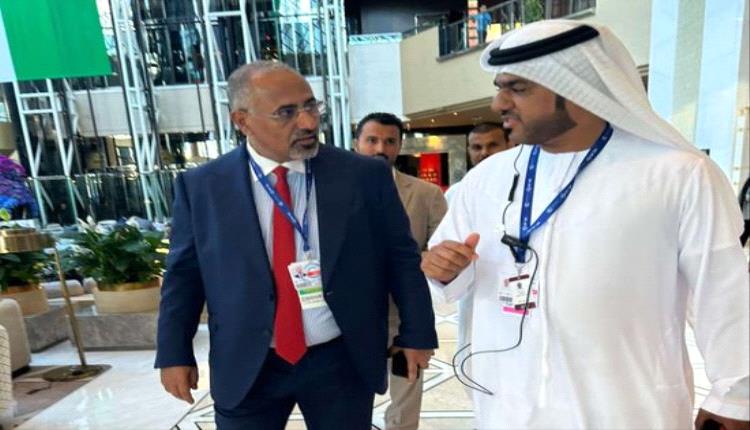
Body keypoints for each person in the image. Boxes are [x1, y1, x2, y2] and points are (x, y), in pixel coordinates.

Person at [421, 20, 749, 429]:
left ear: (574, 87)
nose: (499, 103)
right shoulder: (487, 178)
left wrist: (736, 397)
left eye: (518, 88)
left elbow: (724, 291)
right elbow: (450, 273)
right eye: (500, 88)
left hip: (626, 411)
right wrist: (443, 269)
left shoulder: (677, 174)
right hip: (510, 408)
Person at [155, 61, 438, 430]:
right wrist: (174, 352)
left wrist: (417, 333)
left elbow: (400, 258)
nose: (307, 122)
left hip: (340, 357)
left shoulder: (363, 176)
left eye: (310, 106)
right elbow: (183, 276)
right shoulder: (202, 186)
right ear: (242, 120)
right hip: (247, 361)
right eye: (286, 113)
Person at [354, 112, 447, 430]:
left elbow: (440, 249)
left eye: (390, 141)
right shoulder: (334, 193)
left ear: (399, 146)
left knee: (405, 395)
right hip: (350, 315)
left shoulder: (426, 194)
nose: (381, 148)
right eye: (372, 140)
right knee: (349, 396)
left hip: (405, 314)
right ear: (357, 143)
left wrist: (426, 261)